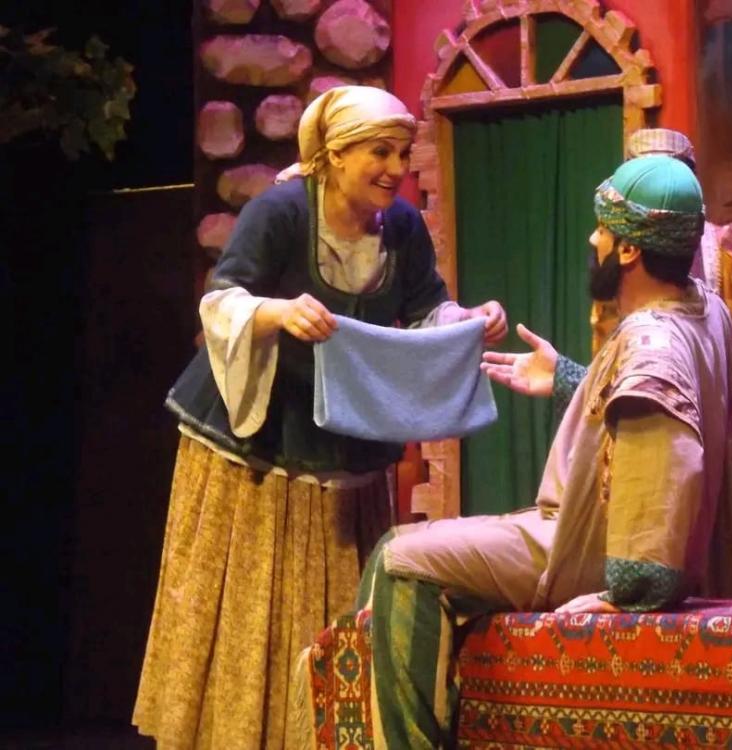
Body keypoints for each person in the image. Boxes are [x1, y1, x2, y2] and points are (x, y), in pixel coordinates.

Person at [315, 155, 732, 749]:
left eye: (603, 229)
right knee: (405, 547)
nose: (592, 240)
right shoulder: (707, 310)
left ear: (628, 250)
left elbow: (666, 463)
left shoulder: (653, 342)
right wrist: (569, 379)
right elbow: (657, 409)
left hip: (586, 548)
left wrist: (631, 592)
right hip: (593, 534)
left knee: (399, 561)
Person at [133, 85, 507, 749]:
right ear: (335, 154)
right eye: (379, 152)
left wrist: (468, 321)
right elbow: (221, 300)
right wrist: (275, 312)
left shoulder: (401, 227)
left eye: (401, 153)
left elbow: (427, 308)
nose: (396, 168)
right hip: (260, 441)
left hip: (348, 437)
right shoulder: (281, 211)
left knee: (338, 599)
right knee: (257, 600)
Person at [519, 128, 732, 598]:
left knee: (720, 547)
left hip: (715, 420)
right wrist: (565, 376)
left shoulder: (725, 248)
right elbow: (620, 366)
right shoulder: (621, 259)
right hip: (654, 428)